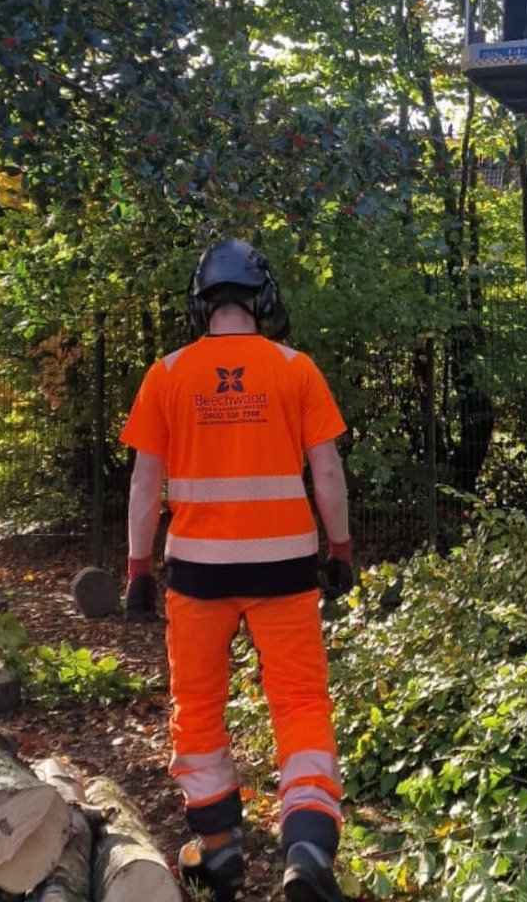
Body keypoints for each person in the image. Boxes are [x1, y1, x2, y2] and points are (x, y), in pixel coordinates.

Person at [121, 237, 353, 902]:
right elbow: (328, 470)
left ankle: (220, 852)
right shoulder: (295, 369)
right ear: (264, 299)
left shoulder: (167, 374)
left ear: (201, 303)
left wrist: (138, 567)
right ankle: (307, 845)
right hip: (285, 568)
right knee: (302, 703)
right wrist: (339, 551)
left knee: (198, 708)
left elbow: (144, 487)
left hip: (198, 574)